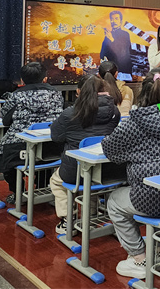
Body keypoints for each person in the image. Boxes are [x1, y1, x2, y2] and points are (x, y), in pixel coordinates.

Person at [102, 71, 160, 279]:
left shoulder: (135, 123)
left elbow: (109, 150)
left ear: (142, 95)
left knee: (113, 201)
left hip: (150, 196)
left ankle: (139, 258)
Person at [49, 75, 120, 233]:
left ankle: (68, 220)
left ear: (78, 92)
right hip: (104, 168)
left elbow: (56, 136)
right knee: (90, 183)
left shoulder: (70, 113)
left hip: (74, 169)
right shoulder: (114, 111)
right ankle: (91, 216)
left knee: (56, 182)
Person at [0, 62, 63, 203]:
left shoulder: (15, 96)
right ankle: (42, 188)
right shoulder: (56, 94)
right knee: (44, 159)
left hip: (19, 148)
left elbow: (5, 120)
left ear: (22, 80)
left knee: (3, 156)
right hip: (51, 146)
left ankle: (18, 192)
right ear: (45, 78)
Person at [101, 11, 133, 78]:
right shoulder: (108, 35)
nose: (114, 21)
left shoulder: (125, 34)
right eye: (112, 19)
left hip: (123, 70)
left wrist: (112, 39)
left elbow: (123, 52)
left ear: (121, 21)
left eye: (116, 19)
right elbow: (102, 54)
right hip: (110, 71)